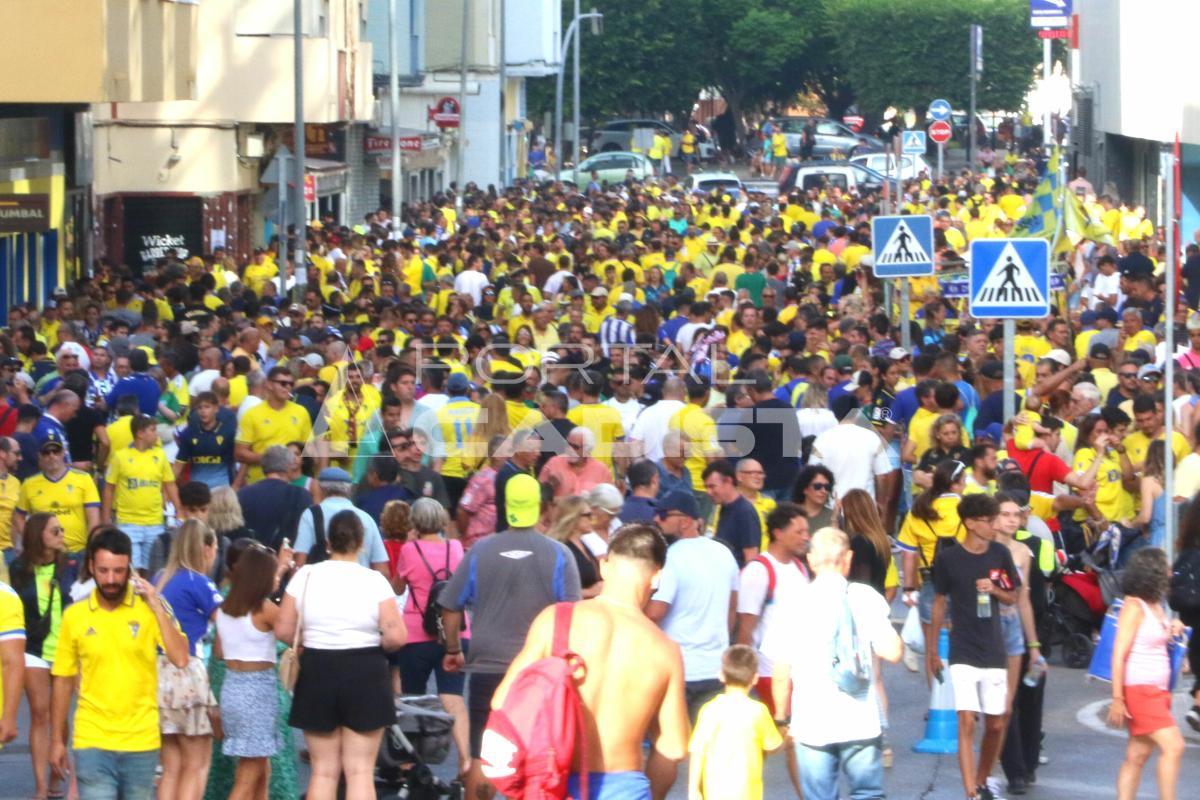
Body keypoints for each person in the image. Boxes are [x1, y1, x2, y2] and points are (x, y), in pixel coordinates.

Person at [489, 524, 688, 800]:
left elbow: (502, 702)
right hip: (625, 788)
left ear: (604, 566)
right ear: (657, 577)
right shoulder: (665, 650)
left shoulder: (556, 619)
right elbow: (674, 747)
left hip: (553, 783)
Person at [439, 473, 582, 800]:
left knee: (483, 748)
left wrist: (452, 648)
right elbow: (571, 615)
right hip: (539, 670)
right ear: (541, 507)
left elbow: (450, 605)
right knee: (537, 750)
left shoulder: (479, 551)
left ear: (505, 506)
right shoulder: (560, 554)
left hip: (487, 665)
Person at [275, 509, 406, 800]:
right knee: (360, 772)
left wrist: (306, 641)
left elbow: (283, 629)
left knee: (323, 771)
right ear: (361, 543)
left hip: (317, 669)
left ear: (327, 542)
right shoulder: (374, 581)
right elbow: (397, 635)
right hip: (366, 671)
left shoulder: (306, 575)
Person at [50, 527, 190, 800]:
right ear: (91, 566)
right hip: (92, 739)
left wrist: (157, 607)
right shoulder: (74, 616)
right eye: (103, 571)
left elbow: (180, 658)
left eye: (119, 571)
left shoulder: (150, 609)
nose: (111, 579)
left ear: (130, 569)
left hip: (141, 741)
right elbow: (63, 680)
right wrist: (57, 740)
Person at [767, 527, 903, 800]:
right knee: (867, 793)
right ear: (848, 559)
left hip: (812, 720)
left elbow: (781, 670)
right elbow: (893, 652)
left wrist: (782, 717)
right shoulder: (864, 597)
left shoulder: (793, 603)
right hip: (860, 718)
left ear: (811, 560)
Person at [927, 493, 1021, 800]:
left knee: (996, 723)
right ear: (970, 523)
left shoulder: (999, 554)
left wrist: (994, 589)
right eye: (989, 520)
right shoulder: (947, 559)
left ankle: (981, 779)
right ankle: (971, 792)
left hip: (994, 648)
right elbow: (939, 603)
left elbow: (1013, 596)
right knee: (966, 719)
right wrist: (931, 651)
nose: (995, 526)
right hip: (962, 649)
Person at [733, 502, 810, 797]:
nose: (806, 536)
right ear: (777, 533)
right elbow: (746, 628)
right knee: (784, 741)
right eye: (798, 531)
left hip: (799, 669)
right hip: (769, 672)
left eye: (806, 530)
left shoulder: (800, 567)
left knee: (789, 741)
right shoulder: (758, 571)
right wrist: (741, 678)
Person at [390, 498, 471, 776]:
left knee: (413, 696)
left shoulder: (410, 550)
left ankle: (412, 762)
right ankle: (465, 758)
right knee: (454, 697)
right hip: (456, 631)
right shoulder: (456, 547)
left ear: (415, 522)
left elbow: (398, 588)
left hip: (417, 633)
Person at [647, 490, 739, 727]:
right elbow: (732, 608)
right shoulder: (724, 552)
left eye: (664, 514)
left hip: (680, 670)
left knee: (669, 747)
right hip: (716, 668)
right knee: (709, 746)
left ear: (686, 521)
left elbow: (656, 613)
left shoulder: (671, 558)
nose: (657, 519)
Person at [1108, 547, 1187, 800]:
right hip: (1140, 690)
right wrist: (1117, 699)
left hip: (1157, 690)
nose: (1169, 571)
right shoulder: (1134, 606)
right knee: (1174, 746)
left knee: (1137, 755)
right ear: (1153, 572)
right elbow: (1118, 654)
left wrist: (1173, 628)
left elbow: (1156, 641)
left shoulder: (1156, 606)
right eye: (1165, 566)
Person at [155, 519, 223, 800]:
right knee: (197, 764)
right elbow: (228, 626)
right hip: (188, 671)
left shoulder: (160, 580)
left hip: (158, 671)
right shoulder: (201, 584)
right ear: (206, 548)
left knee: (171, 766)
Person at [10, 513, 77, 800]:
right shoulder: (18, 567)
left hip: (65, 649)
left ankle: (56, 769)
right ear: (39, 535)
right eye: (55, 530)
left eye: (61, 529)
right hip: (33, 649)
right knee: (40, 713)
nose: (61, 534)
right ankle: (40, 787)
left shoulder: (70, 566)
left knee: (59, 717)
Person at [214, 543, 282, 800]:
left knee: (261, 767)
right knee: (248, 773)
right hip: (258, 691)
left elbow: (220, 652)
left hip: (232, 687)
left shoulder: (224, 609)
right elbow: (291, 630)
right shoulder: (265, 609)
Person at [688, 645, 783, 800]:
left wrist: (693, 789)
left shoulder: (710, 710)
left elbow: (698, 751)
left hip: (713, 791)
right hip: (748, 792)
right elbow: (772, 746)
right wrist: (784, 732)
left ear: (721, 676)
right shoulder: (758, 711)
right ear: (755, 678)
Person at [102, 414, 181, 573]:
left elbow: (170, 484)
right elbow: (109, 488)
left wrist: (179, 509)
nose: (156, 434)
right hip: (128, 522)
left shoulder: (159, 456)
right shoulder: (120, 457)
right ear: (140, 433)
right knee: (132, 570)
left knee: (153, 569)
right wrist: (105, 518)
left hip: (155, 522)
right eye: (152, 430)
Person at [15, 431, 100, 559]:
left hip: (77, 551)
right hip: (44, 553)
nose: (52, 456)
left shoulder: (84, 479)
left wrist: (90, 546)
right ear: (40, 456)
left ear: (63, 453)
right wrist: (31, 540)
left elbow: (93, 517)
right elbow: (18, 517)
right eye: (46, 452)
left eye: (56, 451)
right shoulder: (29, 484)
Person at [292, 467, 388, 573]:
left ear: (320, 488)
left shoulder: (310, 515)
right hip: (360, 586)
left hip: (320, 586)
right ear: (349, 490)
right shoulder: (366, 518)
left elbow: (300, 561)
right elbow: (382, 569)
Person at [235, 366, 313, 484]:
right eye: (283, 383)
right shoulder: (252, 414)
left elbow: (309, 450)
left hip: (293, 484)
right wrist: (271, 459)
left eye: (291, 384)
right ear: (269, 384)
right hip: (260, 482)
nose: (287, 387)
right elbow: (240, 453)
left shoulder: (301, 412)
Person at [236, 445, 311, 549]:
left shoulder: (242, 494)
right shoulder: (300, 495)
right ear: (288, 466)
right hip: (285, 558)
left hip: (249, 557)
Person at [703, 461, 761, 568]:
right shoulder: (723, 508)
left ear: (728, 481)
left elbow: (751, 557)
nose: (708, 492)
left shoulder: (745, 512)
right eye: (706, 487)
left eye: (712, 486)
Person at [548, 496, 604, 598]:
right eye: (588, 515)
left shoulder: (583, 543)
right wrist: (589, 592)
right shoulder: (560, 548)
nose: (593, 519)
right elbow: (554, 589)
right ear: (574, 517)